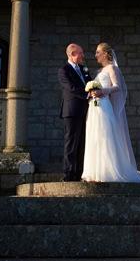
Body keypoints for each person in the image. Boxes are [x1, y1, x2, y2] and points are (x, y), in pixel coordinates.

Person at [81, 42, 140, 195]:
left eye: (97, 52)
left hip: (105, 106)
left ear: (105, 54)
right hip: (95, 107)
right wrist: (91, 93)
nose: (95, 55)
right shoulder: (100, 70)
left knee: (106, 138)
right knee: (95, 137)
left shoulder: (112, 68)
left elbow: (117, 87)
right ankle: (94, 172)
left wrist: (103, 91)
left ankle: (107, 171)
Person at [58, 42, 90, 181]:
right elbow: (70, 88)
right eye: (80, 53)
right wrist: (88, 95)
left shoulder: (84, 69)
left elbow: (90, 82)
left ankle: (79, 172)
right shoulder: (64, 70)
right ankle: (69, 174)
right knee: (71, 143)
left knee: (82, 143)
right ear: (72, 54)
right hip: (71, 111)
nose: (83, 55)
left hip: (86, 111)